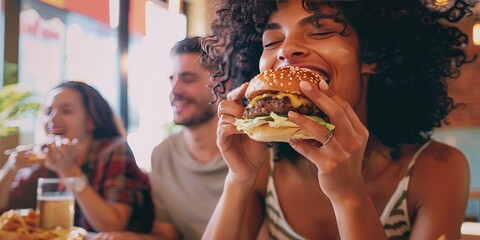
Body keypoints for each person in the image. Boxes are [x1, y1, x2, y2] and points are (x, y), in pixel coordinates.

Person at [200, 0, 474, 239]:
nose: (286, 49)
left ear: (372, 55)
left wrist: (350, 196)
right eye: (272, 42)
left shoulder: (437, 168)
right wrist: (238, 179)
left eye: (321, 31)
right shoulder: (263, 165)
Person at [93, 37, 228, 240]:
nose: (174, 91)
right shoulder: (162, 155)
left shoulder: (251, 150)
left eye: (188, 79)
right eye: (171, 80)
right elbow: (167, 235)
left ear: (220, 86)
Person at [0, 81, 153, 233]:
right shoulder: (44, 159)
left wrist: (69, 171)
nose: (52, 119)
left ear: (90, 122)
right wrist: (10, 168)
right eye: (48, 112)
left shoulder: (114, 150)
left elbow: (113, 227)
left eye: (66, 111)